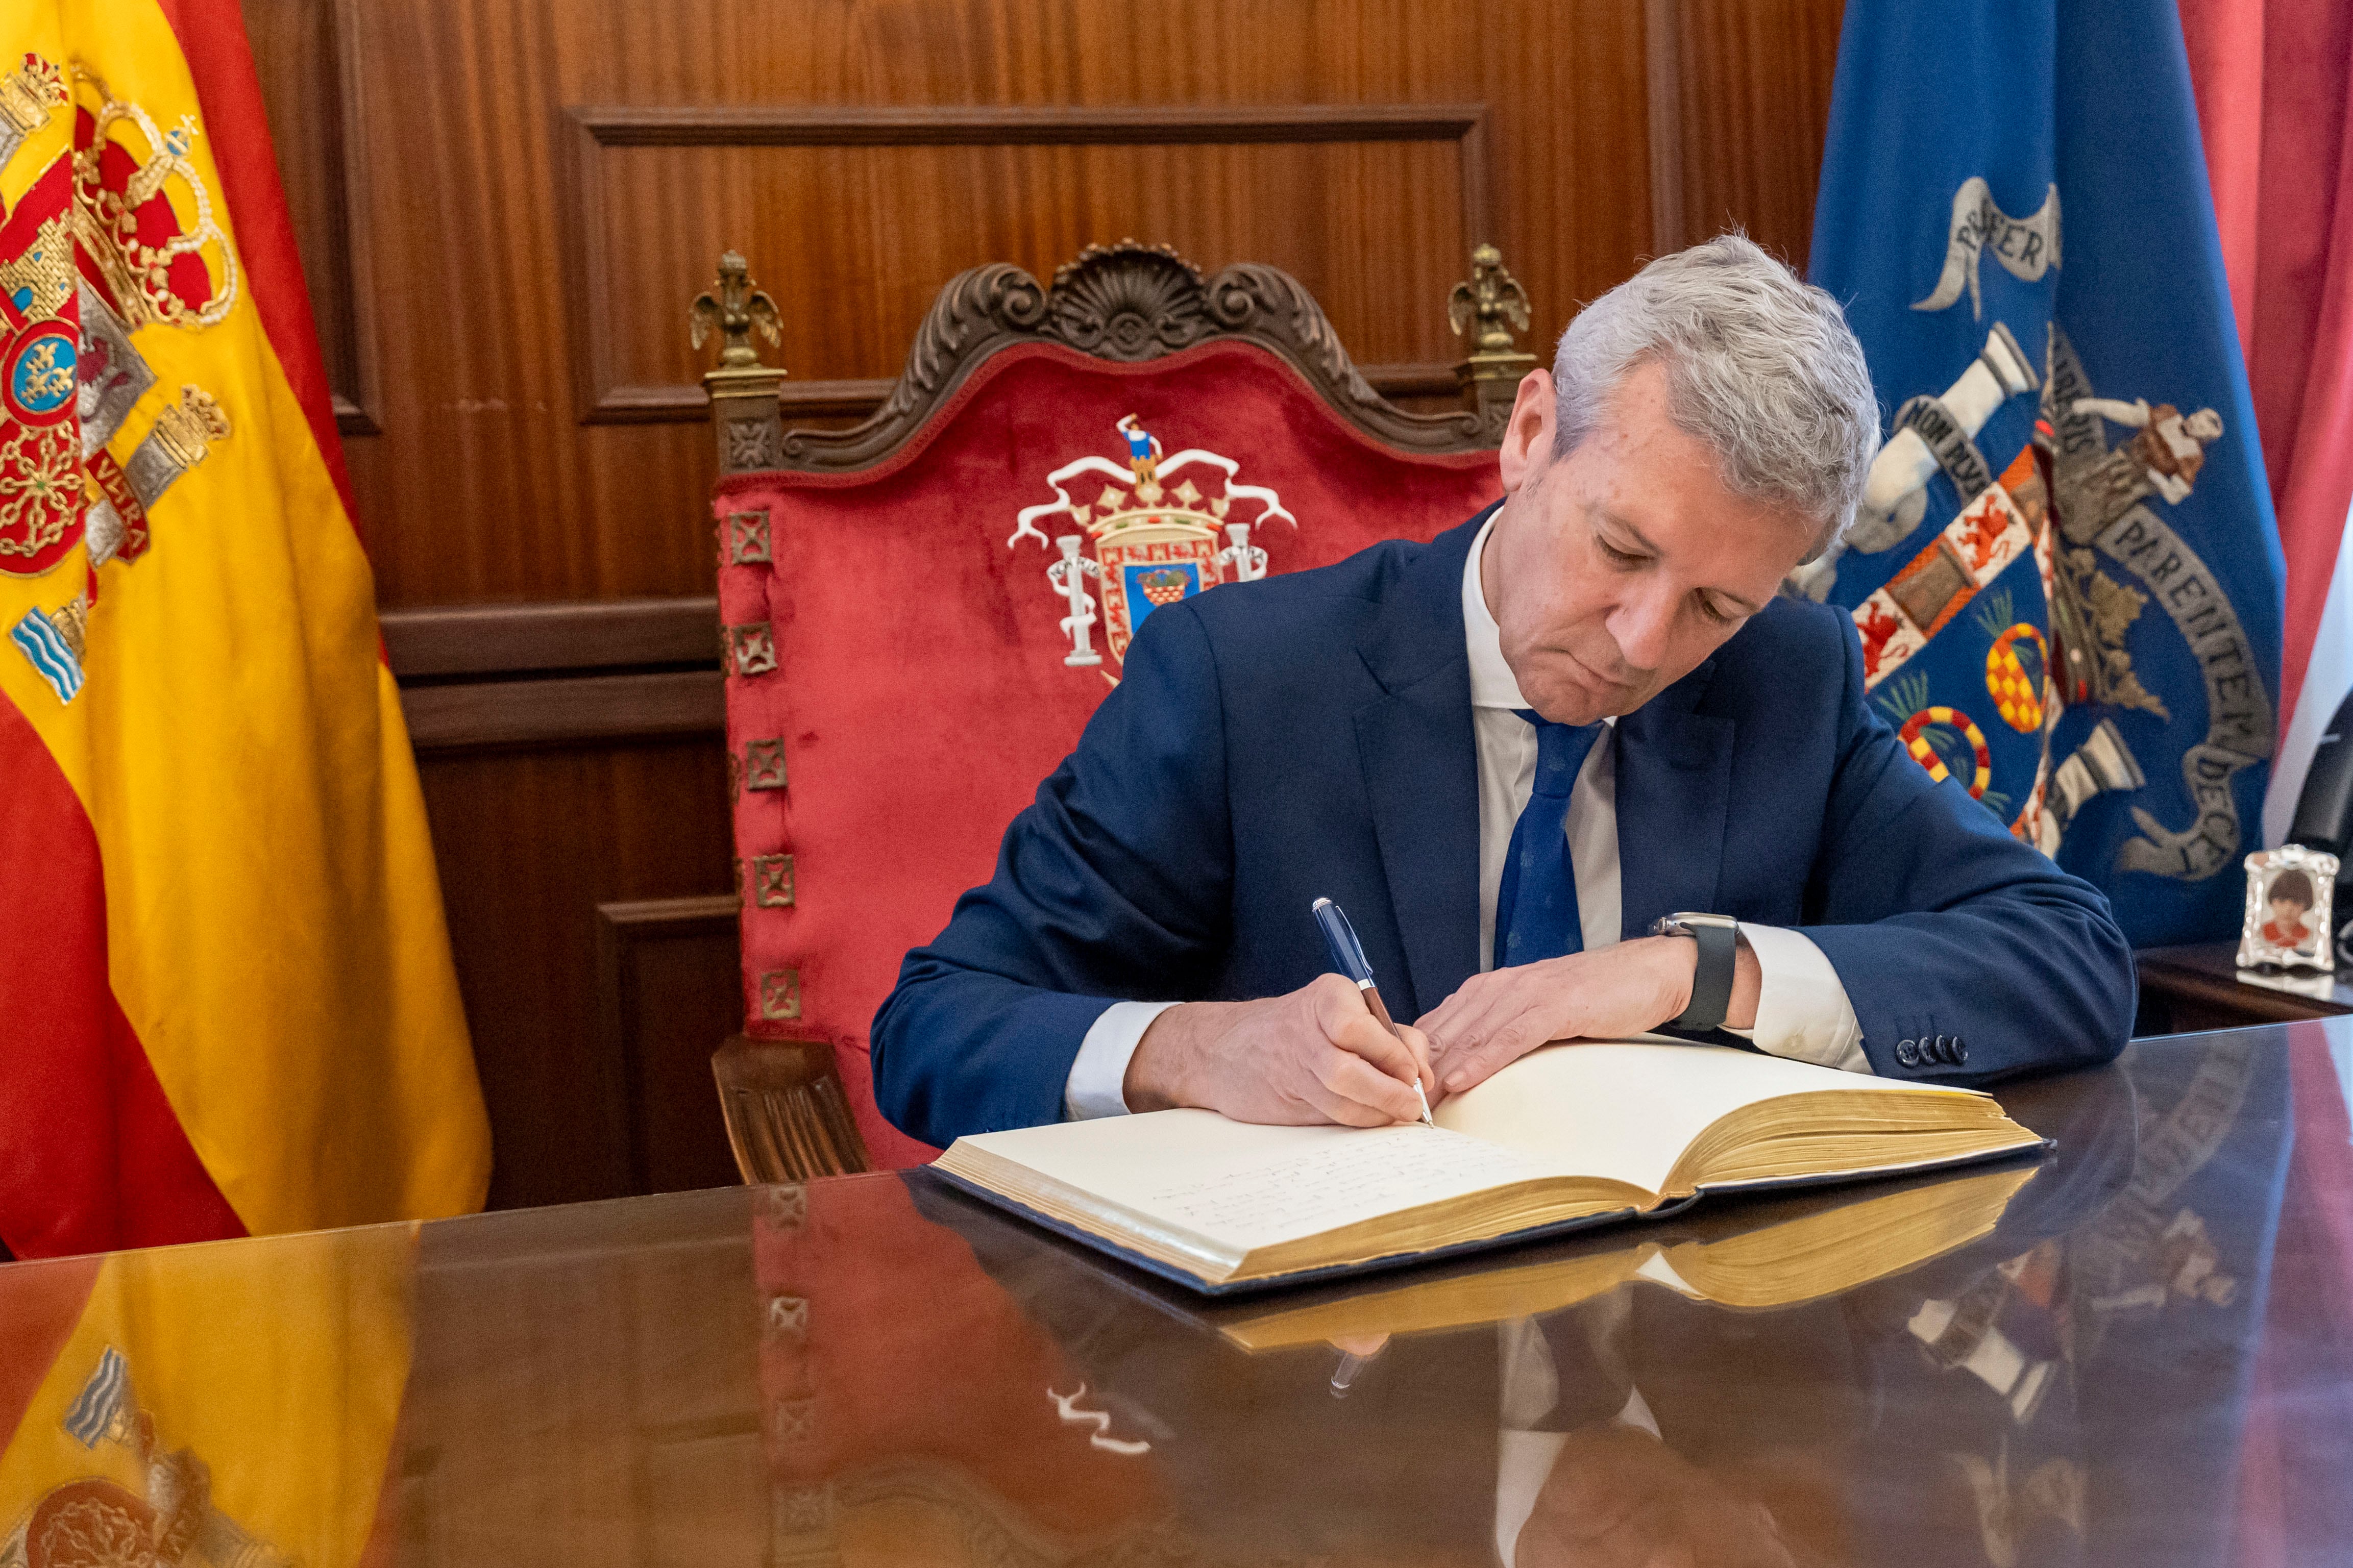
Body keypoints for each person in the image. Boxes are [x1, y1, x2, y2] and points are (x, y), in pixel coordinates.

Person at [871, 235, 2136, 1147]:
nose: (1642, 644)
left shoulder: (1784, 680)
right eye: (1622, 552)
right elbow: (934, 1028)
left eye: (1713, 605)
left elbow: (2071, 959)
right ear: (1530, 434)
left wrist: (1678, 977)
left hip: (1688, 1403)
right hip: (1326, 1414)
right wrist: (1195, 1052)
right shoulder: (1240, 680)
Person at [2261, 868, 2317, 954]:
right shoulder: (2259, 935)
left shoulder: (2312, 940)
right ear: (2272, 901)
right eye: (2282, 901)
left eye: (2296, 902)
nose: (2288, 909)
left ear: (2306, 905)